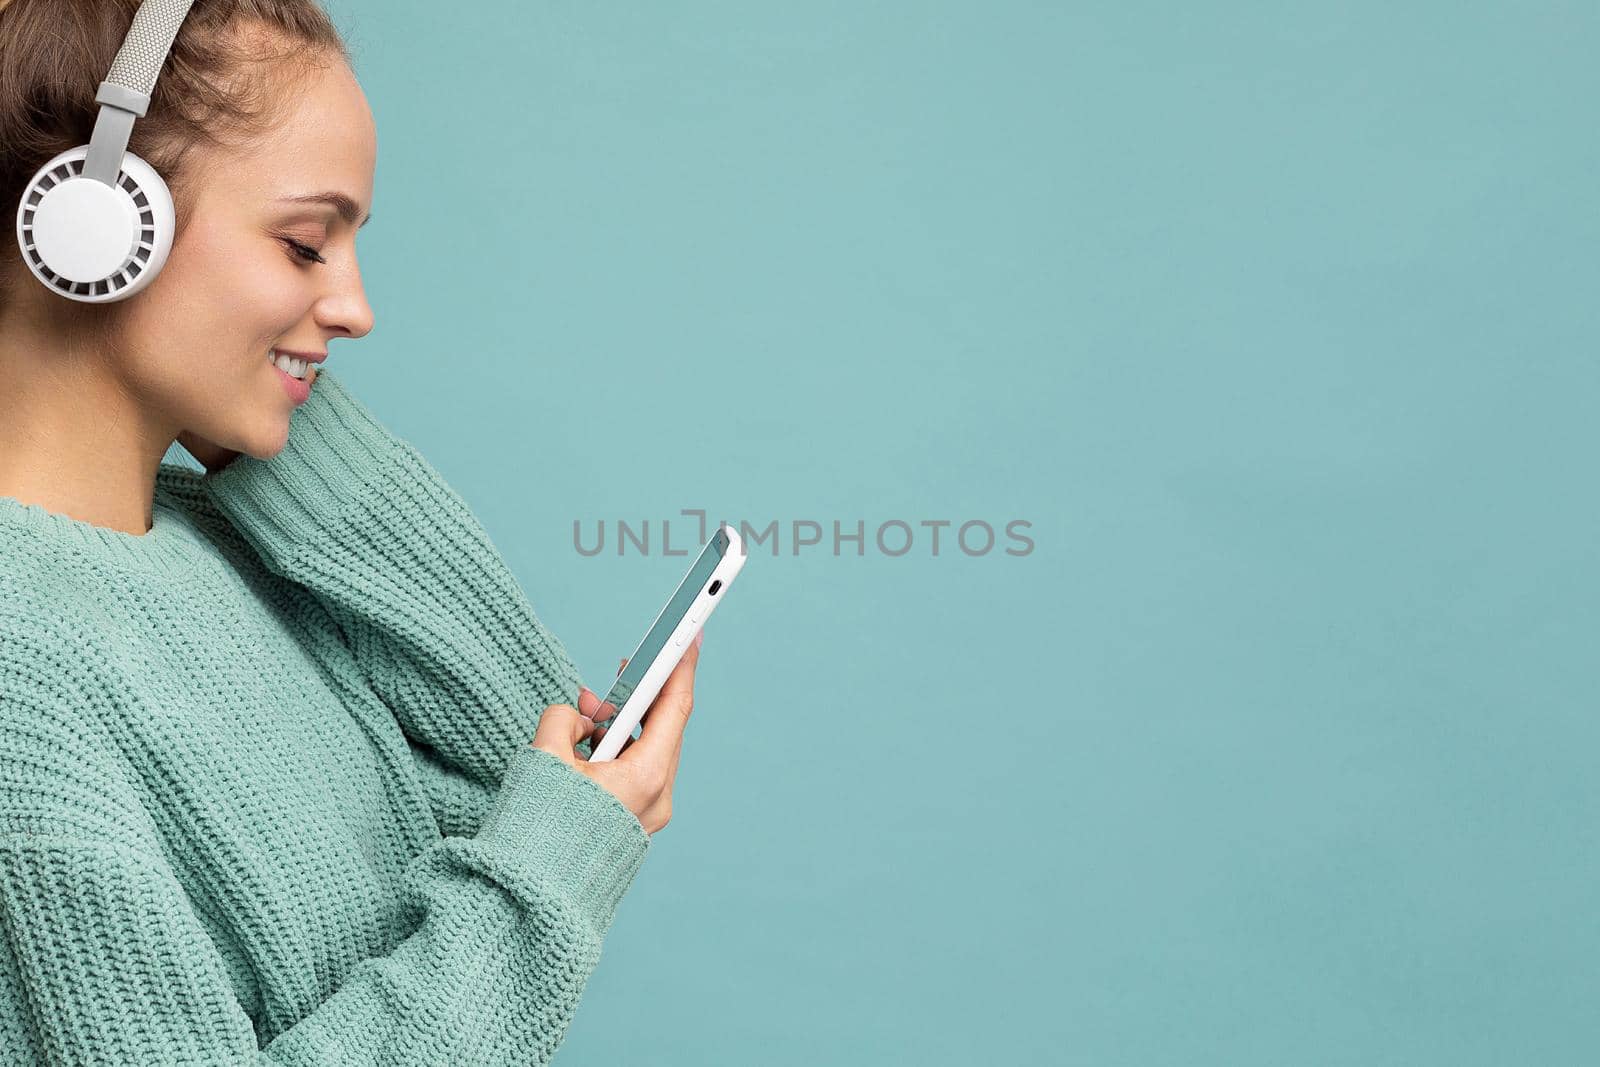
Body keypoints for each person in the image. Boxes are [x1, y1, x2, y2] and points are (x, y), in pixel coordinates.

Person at [0, 1, 701, 1063]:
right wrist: (550, 862)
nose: (356, 306)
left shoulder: (219, 547)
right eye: (303, 244)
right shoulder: (22, 668)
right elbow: (535, 858)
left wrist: (261, 445)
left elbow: (519, 759)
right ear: (93, 225)